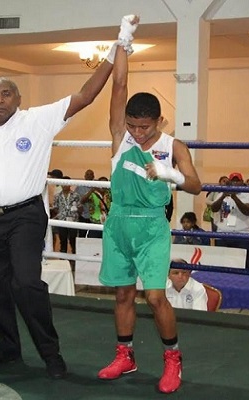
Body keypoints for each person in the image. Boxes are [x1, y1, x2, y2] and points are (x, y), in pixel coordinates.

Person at [0, 16, 127, 380]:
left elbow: (87, 95)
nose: (0, 100)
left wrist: (115, 48)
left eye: (7, 93)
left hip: (26, 215)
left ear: (18, 97)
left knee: (26, 282)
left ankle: (50, 352)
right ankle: (8, 347)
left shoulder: (38, 120)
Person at [97, 16, 202, 394]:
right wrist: (124, 39)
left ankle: (172, 358)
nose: (138, 133)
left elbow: (196, 184)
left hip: (153, 226)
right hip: (119, 223)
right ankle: (125, 355)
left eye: (146, 127)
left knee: (155, 296)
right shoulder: (119, 134)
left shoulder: (173, 146)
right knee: (123, 293)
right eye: (133, 126)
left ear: (160, 120)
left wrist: (171, 175)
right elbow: (120, 84)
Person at [210, 172, 249, 269]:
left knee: (244, 267)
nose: (235, 183)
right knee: (222, 266)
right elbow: (214, 208)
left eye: (237, 181)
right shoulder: (222, 193)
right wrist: (223, 195)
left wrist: (234, 197)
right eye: (233, 181)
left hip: (242, 235)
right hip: (223, 234)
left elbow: (247, 211)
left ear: (242, 182)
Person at [51, 176, 82, 264]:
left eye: (66, 184)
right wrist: (62, 214)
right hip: (62, 221)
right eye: (63, 183)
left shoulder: (75, 195)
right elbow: (55, 207)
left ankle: (74, 259)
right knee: (62, 240)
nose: (65, 186)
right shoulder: (57, 196)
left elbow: (80, 207)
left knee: (73, 240)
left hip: (73, 220)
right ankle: (63, 259)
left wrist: (75, 212)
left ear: (70, 185)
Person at [74, 169, 94, 237]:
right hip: (83, 215)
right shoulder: (79, 187)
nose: (89, 176)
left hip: (94, 216)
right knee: (82, 235)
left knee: (93, 236)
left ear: (93, 176)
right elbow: (78, 200)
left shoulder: (97, 186)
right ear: (84, 176)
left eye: (90, 174)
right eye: (87, 174)